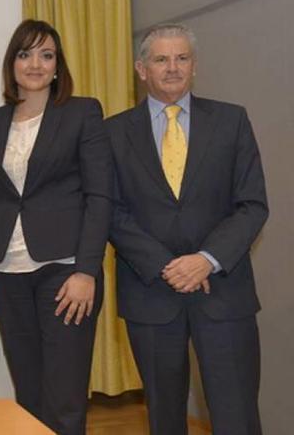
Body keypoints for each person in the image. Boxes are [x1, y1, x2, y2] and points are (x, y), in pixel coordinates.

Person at [107, 23, 267, 434]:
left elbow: (251, 205)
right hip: (151, 295)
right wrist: (167, 266)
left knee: (238, 417)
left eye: (182, 58)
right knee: (164, 419)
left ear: (194, 66)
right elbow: (109, 211)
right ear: (142, 69)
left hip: (224, 293)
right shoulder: (111, 133)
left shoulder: (232, 121)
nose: (173, 68)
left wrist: (205, 261)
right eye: (161, 59)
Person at [0, 20, 112, 434]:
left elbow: (99, 197)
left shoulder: (82, 112)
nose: (35, 63)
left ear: (58, 65)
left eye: (46, 54)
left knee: (65, 398)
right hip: (6, 273)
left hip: (65, 272)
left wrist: (86, 270)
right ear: (11, 63)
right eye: (25, 53)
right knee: (29, 397)